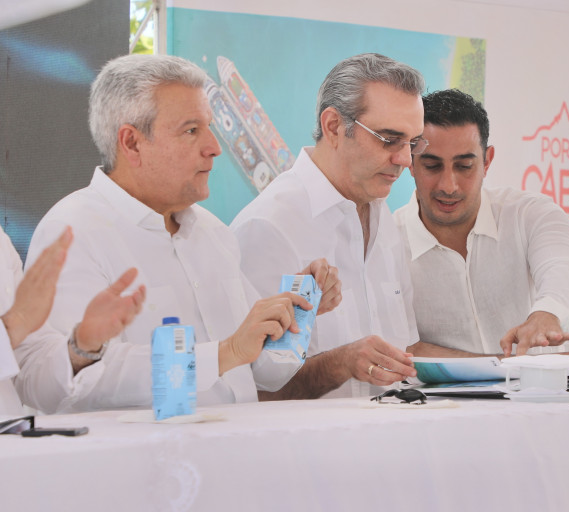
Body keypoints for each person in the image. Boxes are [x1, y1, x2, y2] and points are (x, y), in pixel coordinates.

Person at [16, 54, 339, 413]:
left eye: (209, 126)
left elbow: (265, 373)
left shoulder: (213, 234)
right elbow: (52, 389)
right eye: (191, 130)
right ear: (132, 143)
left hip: (240, 444)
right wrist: (223, 354)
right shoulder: (73, 232)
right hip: (142, 450)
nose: (215, 147)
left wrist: (296, 311)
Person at [231, 53, 421, 399]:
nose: (405, 160)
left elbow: (406, 351)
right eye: (389, 139)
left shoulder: (382, 215)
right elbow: (249, 390)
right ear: (333, 126)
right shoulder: (267, 227)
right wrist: (339, 364)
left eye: (412, 143)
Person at [392, 89, 569, 359]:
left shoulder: (530, 214)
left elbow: (565, 270)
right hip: (440, 393)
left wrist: (547, 314)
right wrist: (502, 368)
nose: (448, 186)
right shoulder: (386, 243)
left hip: (539, 387)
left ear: (487, 161)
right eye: (432, 166)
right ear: (410, 163)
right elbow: (403, 347)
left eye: (464, 166)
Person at [1, 227, 144, 416]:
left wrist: (82, 348)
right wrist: (14, 325)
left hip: (12, 431)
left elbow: (28, 370)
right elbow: (17, 326)